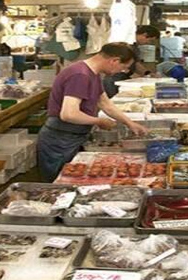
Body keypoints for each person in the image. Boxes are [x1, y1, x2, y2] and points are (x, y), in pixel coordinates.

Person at [37, 42, 149, 182]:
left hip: (73, 135)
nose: (122, 71)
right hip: (61, 139)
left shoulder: (92, 73)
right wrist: (99, 121)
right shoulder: (80, 75)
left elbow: (105, 104)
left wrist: (129, 123)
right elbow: (68, 114)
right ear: (114, 61)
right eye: (124, 67)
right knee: (60, 184)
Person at [102, 25, 161, 98]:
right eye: (150, 40)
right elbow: (120, 64)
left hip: (123, 77)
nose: (148, 43)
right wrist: (133, 74)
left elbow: (135, 64)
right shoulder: (125, 44)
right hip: (113, 78)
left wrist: (147, 73)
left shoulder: (135, 47)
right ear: (144, 35)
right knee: (115, 101)